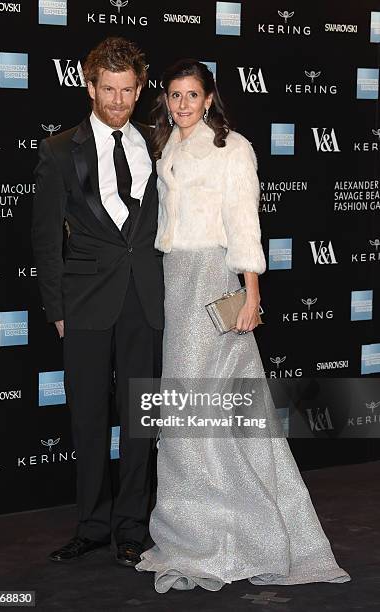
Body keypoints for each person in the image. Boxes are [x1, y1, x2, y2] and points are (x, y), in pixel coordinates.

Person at [135, 59, 351, 592]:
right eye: (174, 96)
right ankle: (194, 528)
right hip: (174, 280)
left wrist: (251, 294)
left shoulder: (235, 149)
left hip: (213, 281)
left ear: (210, 99)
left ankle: (237, 532)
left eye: (192, 96)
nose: (182, 105)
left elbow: (244, 225)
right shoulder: (167, 149)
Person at [31, 37, 164, 567]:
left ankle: (132, 527)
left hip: (146, 300)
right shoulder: (59, 149)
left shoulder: (160, 143)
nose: (117, 101)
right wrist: (55, 308)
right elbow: (45, 239)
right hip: (84, 303)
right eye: (107, 89)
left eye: (127, 89)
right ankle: (91, 525)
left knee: (139, 421)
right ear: (90, 86)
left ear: (140, 87)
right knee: (88, 419)